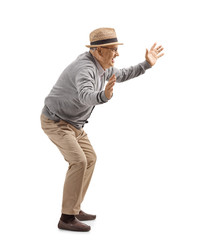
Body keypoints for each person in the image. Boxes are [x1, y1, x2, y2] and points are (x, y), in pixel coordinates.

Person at [40, 27, 164, 232]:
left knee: (90, 158)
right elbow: (85, 95)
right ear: (98, 51)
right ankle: (66, 218)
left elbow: (123, 74)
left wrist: (146, 64)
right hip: (56, 122)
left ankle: (74, 207)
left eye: (117, 49)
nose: (117, 54)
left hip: (75, 125)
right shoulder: (85, 69)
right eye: (113, 49)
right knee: (78, 161)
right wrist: (104, 95)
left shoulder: (102, 65)